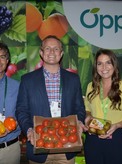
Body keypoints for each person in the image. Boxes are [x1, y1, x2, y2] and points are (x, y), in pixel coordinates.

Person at [15, 35, 86, 164]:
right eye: (47, 48)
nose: (52, 52)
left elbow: (79, 108)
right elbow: (21, 110)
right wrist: (29, 130)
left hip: (66, 148)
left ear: (61, 53)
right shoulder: (27, 80)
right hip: (39, 146)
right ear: (41, 53)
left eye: (56, 49)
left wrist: (79, 122)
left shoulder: (73, 79)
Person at [83, 49, 122, 164]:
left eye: (108, 62)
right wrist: (88, 117)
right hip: (93, 139)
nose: (104, 67)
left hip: (116, 140)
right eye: (100, 63)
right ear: (96, 67)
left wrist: (116, 125)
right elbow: (87, 109)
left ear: (114, 65)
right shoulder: (91, 87)